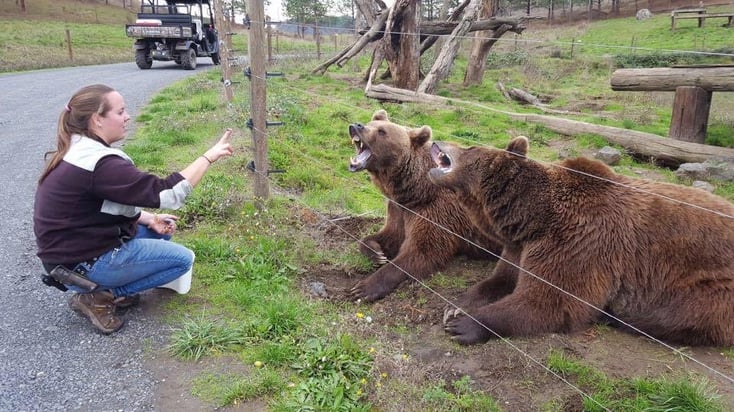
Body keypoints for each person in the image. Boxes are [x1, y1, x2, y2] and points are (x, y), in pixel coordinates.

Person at [33, 84, 234, 334]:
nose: (128, 116)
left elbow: (100, 205)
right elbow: (169, 193)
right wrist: (209, 157)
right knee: (182, 261)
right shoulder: (101, 164)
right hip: (79, 263)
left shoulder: (79, 149)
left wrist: (149, 218)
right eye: (120, 112)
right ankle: (99, 296)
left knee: (162, 231)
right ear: (97, 120)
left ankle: (103, 283)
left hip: (69, 253)